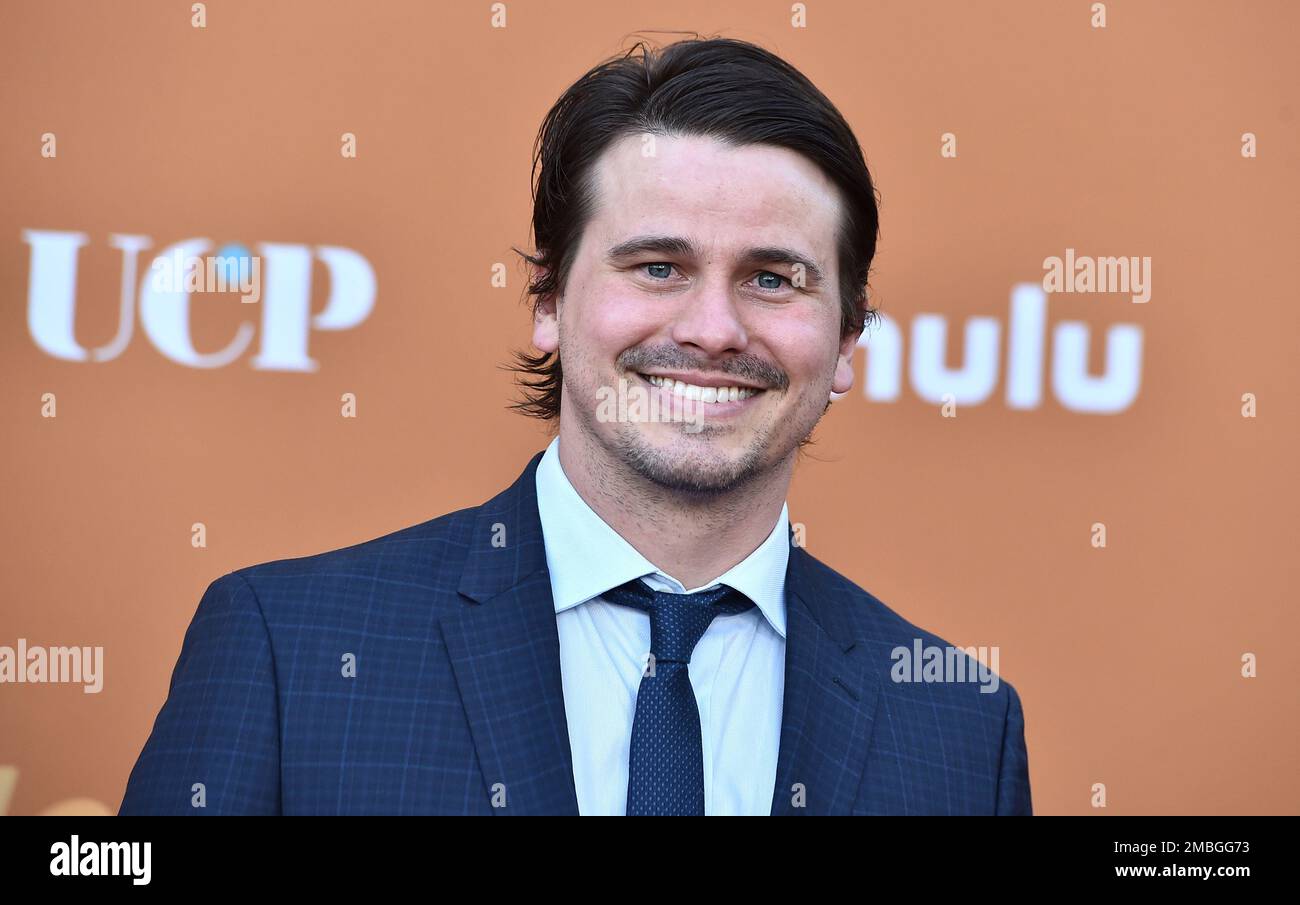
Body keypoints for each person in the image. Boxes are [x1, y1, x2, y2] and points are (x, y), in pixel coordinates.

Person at [120, 36, 1030, 816]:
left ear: (845, 340)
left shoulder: (959, 728)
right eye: (658, 266)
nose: (713, 329)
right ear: (548, 301)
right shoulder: (289, 649)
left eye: (772, 278)